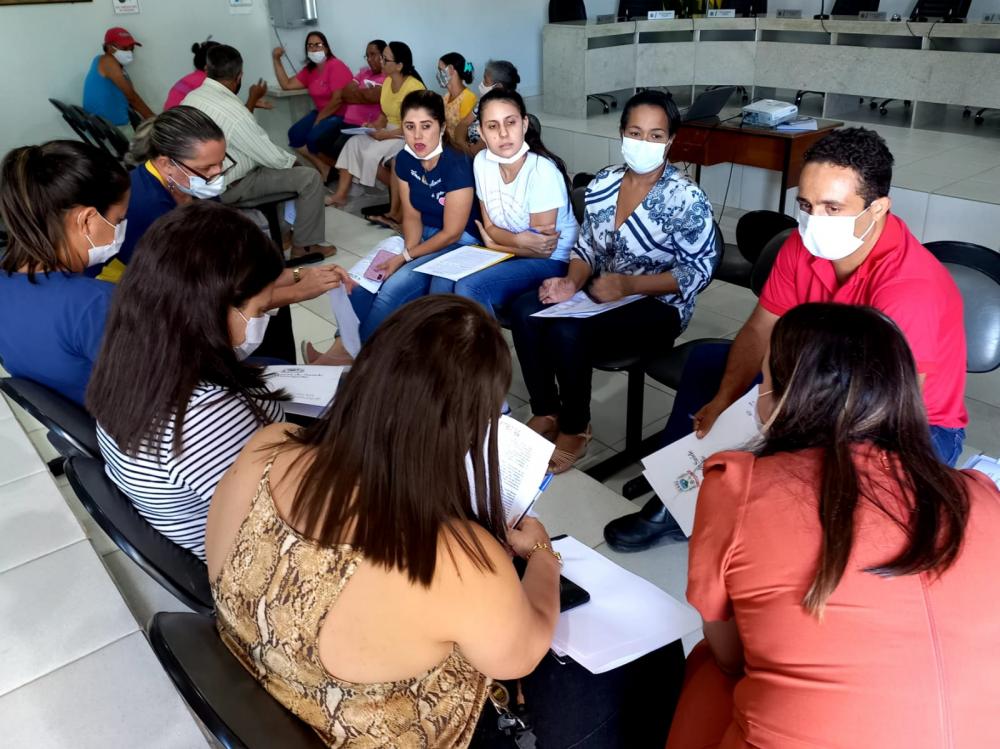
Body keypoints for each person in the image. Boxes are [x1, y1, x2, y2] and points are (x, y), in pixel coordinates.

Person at [207, 295, 683, 749]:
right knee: (655, 657)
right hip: (375, 733)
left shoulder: (270, 445)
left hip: (263, 697)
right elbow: (520, 656)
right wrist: (542, 554)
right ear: (466, 429)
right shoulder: (451, 556)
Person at [605, 126, 969, 552]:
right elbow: (763, 327)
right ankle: (674, 491)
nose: (815, 221)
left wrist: (782, 420)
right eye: (806, 205)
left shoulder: (910, 289)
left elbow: (883, 409)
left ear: (877, 208)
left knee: (820, 487)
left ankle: (745, 514)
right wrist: (729, 399)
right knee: (709, 367)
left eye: (833, 208)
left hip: (911, 424)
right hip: (817, 377)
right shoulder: (803, 245)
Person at [667, 303, 1000, 749]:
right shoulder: (979, 493)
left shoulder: (737, 486)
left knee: (709, 667)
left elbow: (729, 654)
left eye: (764, 379)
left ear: (787, 395)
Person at [87, 202, 351, 560]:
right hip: (248, 553)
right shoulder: (207, 415)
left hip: (210, 514)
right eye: (261, 310)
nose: (262, 320)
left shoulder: (135, 355)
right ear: (210, 310)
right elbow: (294, 521)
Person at [510, 89, 716, 474]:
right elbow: (587, 246)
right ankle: (547, 409)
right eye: (635, 133)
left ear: (670, 140)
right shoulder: (604, 182)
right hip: (603, 290)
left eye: (655, 135)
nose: (644, 143)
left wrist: (630, 286)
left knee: (566, 331)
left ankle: (576, 426)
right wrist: (571, 282)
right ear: (622, 133)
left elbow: (699, 270)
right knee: (524, 311)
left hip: (658, 306)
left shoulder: (686, 198)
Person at [109, 107, 345, 315]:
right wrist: (297, 291)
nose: (217, 173)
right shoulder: (144, 207)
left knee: (271, 310)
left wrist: (296, 275)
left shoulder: (194, 184)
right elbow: (200, 292)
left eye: (221, 162)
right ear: (166, 164)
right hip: (144, 298)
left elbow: (224, 248)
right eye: (207, 167)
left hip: (195, 281)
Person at [303, 90, 480, 364]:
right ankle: (341, 351)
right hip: (420, 238)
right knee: (360, 283)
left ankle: (363, 363)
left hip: (460, 243)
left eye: (426, 126)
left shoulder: (456, 162)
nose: (417, 136)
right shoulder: (406, 159)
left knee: (392, 289)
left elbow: (452, 232)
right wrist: (407, 250)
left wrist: (406, 258)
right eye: (409, 127)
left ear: (442, 127)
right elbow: (411, 215)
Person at [428, 89, 577, 318]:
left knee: (470, 287)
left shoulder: (542, 173)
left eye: (511, 122)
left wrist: (497, 246)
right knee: (442, 279)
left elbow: (542, 251)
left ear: (524, 125)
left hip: (555, 261)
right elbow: (489, 227)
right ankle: (446, 342)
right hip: (513, 252)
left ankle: (483, 342)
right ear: (481, 132)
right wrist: (514, 240)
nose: (503, 133)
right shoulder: (481, 163)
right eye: (492, 126)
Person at [0, 141, 129, 406]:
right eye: (118, 220)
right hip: (121, 421)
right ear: (86, 220)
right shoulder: (95, 304)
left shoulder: (7, 277)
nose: (121, 229)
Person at [182, 44, 336, 259]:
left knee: (273, 171)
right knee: (307, 177)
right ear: (239, 75)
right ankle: (305, 247)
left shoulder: (191, 98)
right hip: (230, 185)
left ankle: (283, 236)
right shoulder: (234, 112)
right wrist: (294, 163)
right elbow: (270, 155)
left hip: (197, 184)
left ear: (207, 70)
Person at [326, 41, 424, 215]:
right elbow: (384, 114)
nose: (381, 62)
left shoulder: (414, 87)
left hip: (407, 135)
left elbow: (414, 125)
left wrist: (385, 134)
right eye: (381, 58)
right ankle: (341, 195)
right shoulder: (387, 83)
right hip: (388, 131)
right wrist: (373, 126)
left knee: (371, 154)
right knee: (353, 143)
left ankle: (401, 198)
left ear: (399, 65)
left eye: (385, 59)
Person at [272, 32, 353, 181]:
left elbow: (338, 99)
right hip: (322, 112)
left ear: (326, 48)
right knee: (295, 135)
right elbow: (287, 84)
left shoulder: (336, 65)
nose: (314, 49)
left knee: (312, 139)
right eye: (310, 46)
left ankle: (346, 173)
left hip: (341, 114)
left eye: (318, 45)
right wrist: (276, 59)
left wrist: (319, 119)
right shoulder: (310, 70)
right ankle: (325, 168)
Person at [312, 39, 387, 164]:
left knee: (337, 148)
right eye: (367, 56)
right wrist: (365, 95)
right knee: (320, 141)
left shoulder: (387, 77)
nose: (369, 59)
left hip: (363, 125)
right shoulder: (364, 72)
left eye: (373, 54)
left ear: (383, 56)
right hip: (346, 121)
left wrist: (359, 94)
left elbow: (373, 96)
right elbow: (344, 93)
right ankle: (342, 169)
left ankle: (347, 170)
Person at [82, 27, 155, 134]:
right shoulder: (108, 61)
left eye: (132, 49)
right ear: (109, 47)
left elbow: (130, 96)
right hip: (112, 129)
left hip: (109, 125)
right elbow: (132, 98)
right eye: (124, 48)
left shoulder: (110, 64)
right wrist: (155, 120)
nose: (129, 52)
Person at [453, 59, 520, 157]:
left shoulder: (506, 111)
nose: (481, 84)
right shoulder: (483, 103)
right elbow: (463, 123)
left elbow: (481, 146)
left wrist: (466, 150)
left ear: (498, 87)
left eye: (485, 81)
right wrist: (462, 144)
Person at [437, 52, 477, 142]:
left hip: (459, 147)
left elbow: (466, 133)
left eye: (440, 70)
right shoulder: (446, 96)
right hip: (447, 143)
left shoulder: (468, 98)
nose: (438, 74)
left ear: (450, 69)